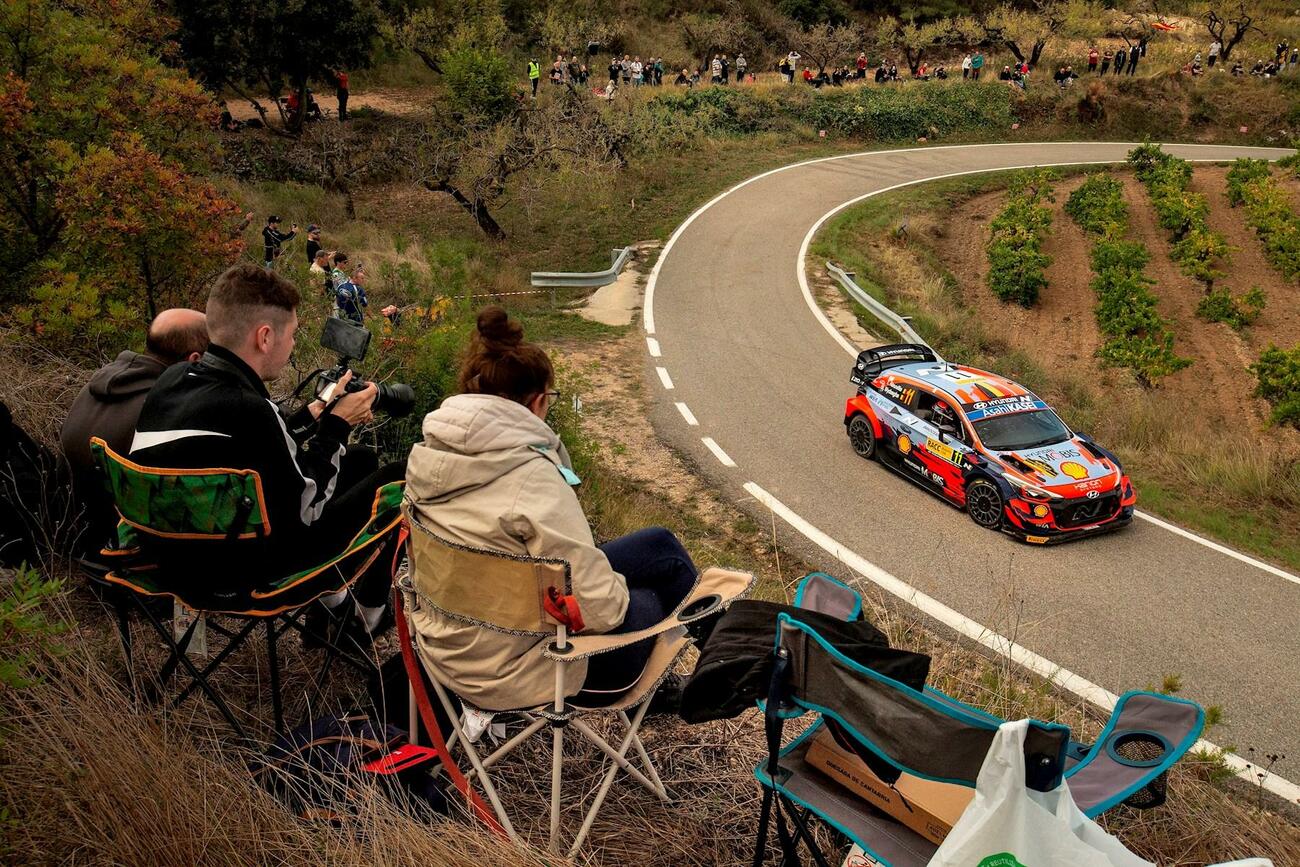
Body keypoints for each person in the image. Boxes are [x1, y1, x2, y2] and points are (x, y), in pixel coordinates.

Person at [405, 306, 700, 711]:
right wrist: (613, 583)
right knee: (648, 598)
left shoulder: (426, 458)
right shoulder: (532, 479)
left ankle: (725, 667)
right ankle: (725, 676)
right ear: (539, 401)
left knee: (658, 545)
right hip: (525, 671)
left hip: (446, 647)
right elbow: (604, 611)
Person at [130, 265, 402, 628]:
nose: (292, 345)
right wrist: (338, 424)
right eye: (291, 335)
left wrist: (316, 412)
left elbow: (253, 445)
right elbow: (308, 509)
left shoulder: (173, 380)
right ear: (265, 337)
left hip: (171, 565)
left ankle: (334, 607)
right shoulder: (252, 409)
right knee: (400, 476)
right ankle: (366, 618)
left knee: (360, 459)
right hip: (249, 579)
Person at [60, 309, 208, 552]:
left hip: (71, 530)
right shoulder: (164, 408)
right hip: (116, 545)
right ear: (194, 359)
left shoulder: (96, 385)